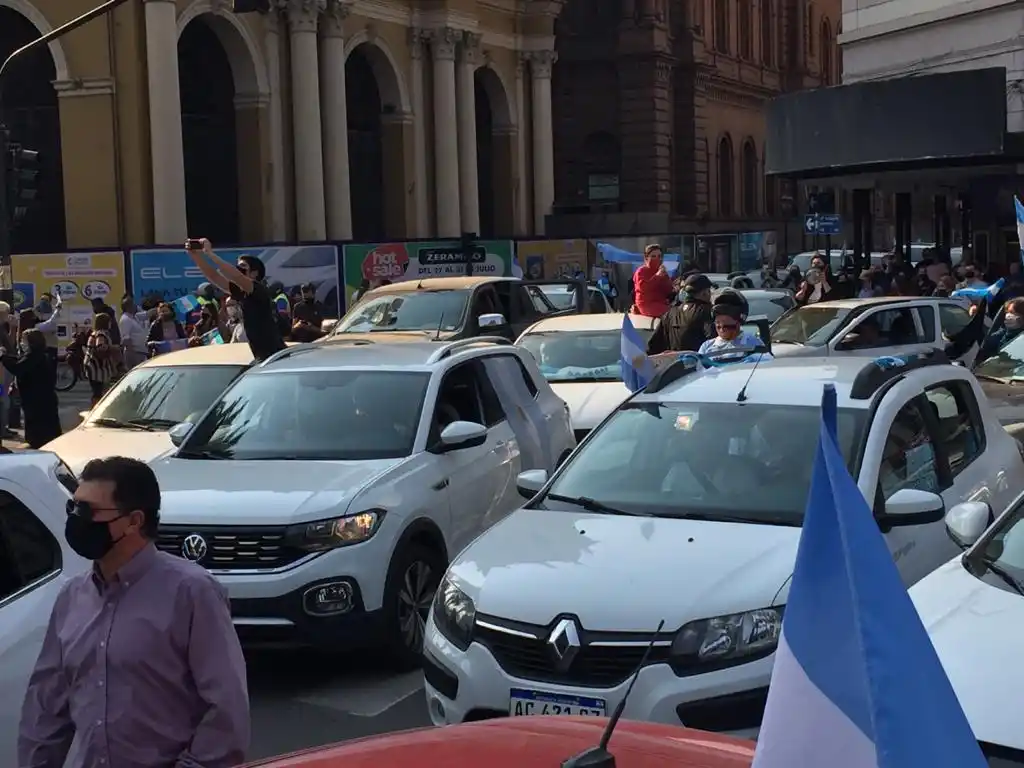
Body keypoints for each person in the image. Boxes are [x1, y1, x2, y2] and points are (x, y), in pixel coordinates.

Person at [18, 456, 249, 768]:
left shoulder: (192, 593)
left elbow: (227, 706)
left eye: (88, 510)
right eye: (73, 507)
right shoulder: (72, 598)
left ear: (134, 521)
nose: (76, 519)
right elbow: (46, 710)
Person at [186, 239, 286, 361]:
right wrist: (195, 257)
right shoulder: (241, 292)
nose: (238, 268)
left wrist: (210, 254)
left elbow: (234, 275)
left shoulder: (258, 290)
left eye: (243, 266)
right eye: (237, 266)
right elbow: (214, 276)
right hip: (261, 356)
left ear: (254, 273)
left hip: (275, 354)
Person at [2, 328, 61, 448]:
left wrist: (3, 357)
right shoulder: (38, 355)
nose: (22, 343)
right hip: (41, 399)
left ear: (32, 342)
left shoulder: (34, 356)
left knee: (40, 431)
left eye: (24, 340)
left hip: (38, 401)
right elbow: (19, 361)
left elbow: (18, 368)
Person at [647, 273, 715, 354]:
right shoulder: (707, 311)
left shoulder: (670, 312)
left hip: (674, 360)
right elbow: (713, 340)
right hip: (697, 360)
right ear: (704, 293)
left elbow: (654, 345)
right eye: (709, 291)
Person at [698, 291, 764, 356]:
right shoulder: (706, 347)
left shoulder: (754, 343)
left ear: (739, 322)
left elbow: (765, 361)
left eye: (726, 323)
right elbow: (699, 362)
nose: (722, 329)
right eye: (718, 323)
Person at [83, 314, 124, 405]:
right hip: (97, 368)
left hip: (93, 366)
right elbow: (100, 347)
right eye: (109, 321)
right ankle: (96, 408)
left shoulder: (95, 333)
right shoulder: (101, 334)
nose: (110, 323)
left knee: (98, 391)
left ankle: (96, 407)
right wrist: (114, 348)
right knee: (98, 392)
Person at [631, 244, 675, 318]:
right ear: (646, 258)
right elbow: (644, 288)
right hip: (647, 304)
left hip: (661, 302)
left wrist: (666, 278)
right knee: (672, 313)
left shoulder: (661, 271)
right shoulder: (641, 271)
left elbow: (668, 290)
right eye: (653, 256)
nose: (657, 259)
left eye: (659, 256)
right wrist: (657, 276)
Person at [118, 296, 149, 369]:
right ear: (128, 307)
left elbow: (148, 314)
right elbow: (126, 340)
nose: (135, 306)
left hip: (141, 353)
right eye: (133, 304)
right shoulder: (125, 319)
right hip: (135, 354)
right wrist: (133, 357)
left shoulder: (134, 317)